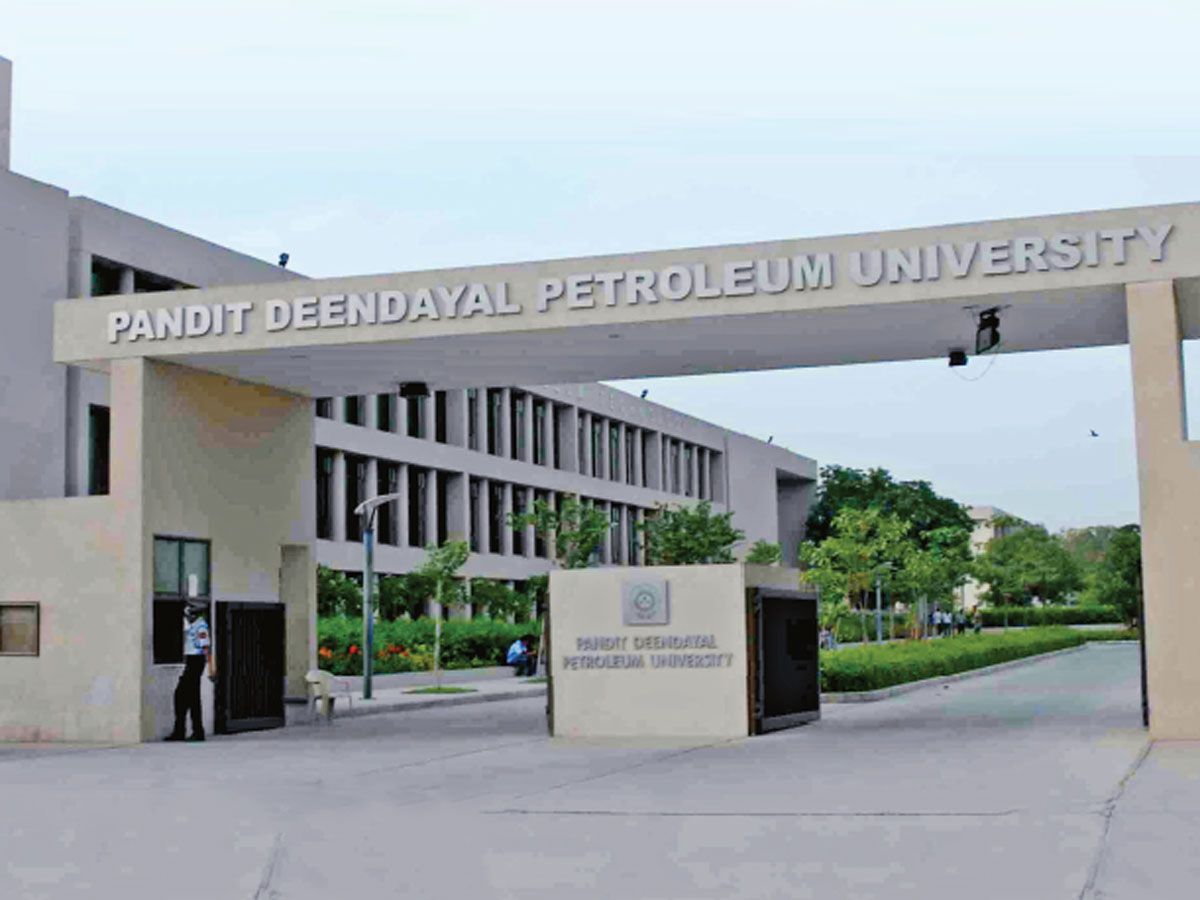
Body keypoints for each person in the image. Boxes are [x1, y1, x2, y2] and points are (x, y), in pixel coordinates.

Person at [165, 601, 213, 742]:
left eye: (189, 614)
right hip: (191, 662)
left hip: (196, 662)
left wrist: (211, 669)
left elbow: (206, 649)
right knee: (187, 698)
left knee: (186, 697)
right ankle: (188, 731)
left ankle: (191, 732)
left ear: (195, 614)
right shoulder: (193, 626)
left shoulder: (201, 627)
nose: (187, 616)